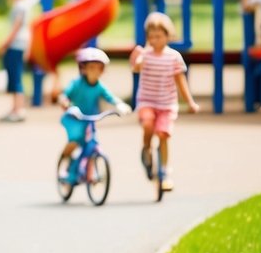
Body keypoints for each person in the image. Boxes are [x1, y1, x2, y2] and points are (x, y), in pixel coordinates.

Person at [129, 12, 199, 193]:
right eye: (151, 37)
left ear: (168, 36)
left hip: (166, 104)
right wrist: (137, 56)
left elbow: (180, 81)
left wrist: (190, 102)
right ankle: (146, 149)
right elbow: (136, 67)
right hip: (147, 101)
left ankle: (165, 172)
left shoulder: (174, 57)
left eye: (158, 36)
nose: (154, 40)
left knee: (163, 134)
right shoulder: (146, 55)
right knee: (147, 125)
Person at [57, 47, 129, 181]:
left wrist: (120, 104)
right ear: (83, 68)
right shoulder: (76, 84)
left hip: (90, 118)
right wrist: (65, 102)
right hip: (74, 118)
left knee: (90, 144)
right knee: (75, 140)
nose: (95, 71)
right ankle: (63, 165)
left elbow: (110, 97)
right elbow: (64, 95)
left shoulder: (99, 86)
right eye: (91, 67)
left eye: (98, 68)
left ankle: (89, 172)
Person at [0, 0, 34, 121]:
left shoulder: (20, 6)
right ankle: (15, 108)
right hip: (21, 44)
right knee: (14, 77)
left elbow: (17, 27)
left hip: (15, 45)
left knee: (15, 78)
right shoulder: (23, 4)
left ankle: (19, 110)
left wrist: (5, 44)